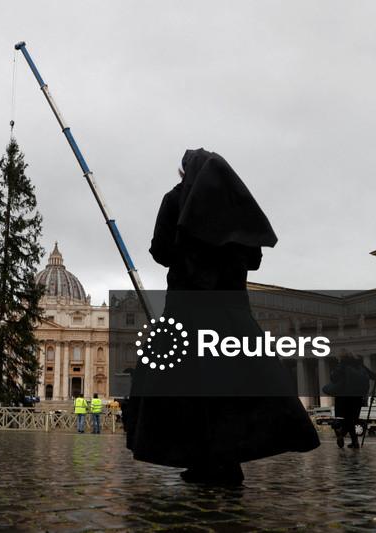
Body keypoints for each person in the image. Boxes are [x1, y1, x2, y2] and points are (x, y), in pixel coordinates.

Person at [124, 148, 320, 485]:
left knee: (187, 388)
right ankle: (225, 460)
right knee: (235, 384)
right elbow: (254, 259)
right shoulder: (235, 203)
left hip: (187, 307)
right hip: (231, 309)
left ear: (184, 172)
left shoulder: (175, 199)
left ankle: (202, 458)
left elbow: (161, 251)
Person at [324, 354, 373, 448]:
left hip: (346, 398)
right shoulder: (360, 367)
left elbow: (333, 378)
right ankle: (353, 441)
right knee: (352, 420)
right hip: (358, 397)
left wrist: (340, 365)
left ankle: (342, 434)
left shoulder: (343, 367)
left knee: (349, 420)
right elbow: (374, 376)